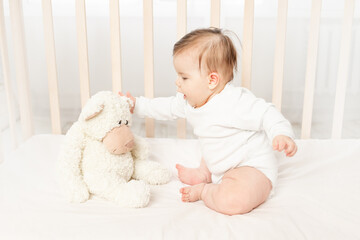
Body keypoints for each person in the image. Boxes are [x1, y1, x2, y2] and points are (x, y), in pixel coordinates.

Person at [119, 28, 297, 215]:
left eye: (184, 77)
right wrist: (137, 105)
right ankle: (205, 173)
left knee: (233, 202)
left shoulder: (234, 101)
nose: (177, 82)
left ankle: (205, 190)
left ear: (212, 80)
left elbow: (266, 113)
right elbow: (166, 107)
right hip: (221, 163)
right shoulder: (190, 102)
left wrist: (281, 133)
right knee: (211, 145)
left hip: (251, 167)